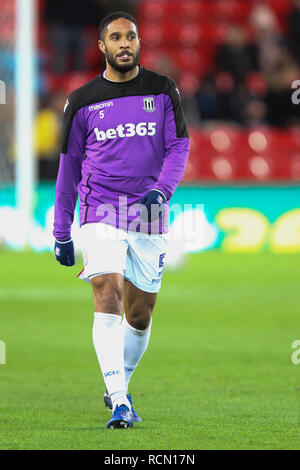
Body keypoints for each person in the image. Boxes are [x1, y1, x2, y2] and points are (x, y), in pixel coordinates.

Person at [53, 11, 190, 429]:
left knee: (140, 314)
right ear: (102, 46)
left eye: (131, 36)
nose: (125, 43)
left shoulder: (163, 90)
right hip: (101, 211)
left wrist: (160, 191)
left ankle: (121, 384)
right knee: (105, 290)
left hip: (149, 212)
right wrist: (62, 231)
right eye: (116, 37)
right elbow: (69, 167)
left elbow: (178, 147)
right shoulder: (81, 101)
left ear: (138, 43)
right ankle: (119, 402)